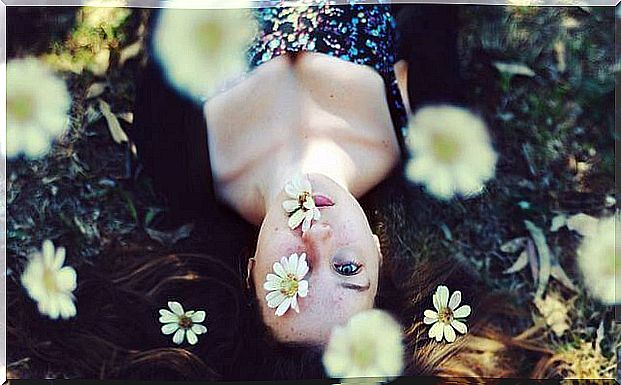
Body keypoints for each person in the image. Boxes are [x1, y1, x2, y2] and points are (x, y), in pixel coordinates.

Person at [8, 3, 523, 381]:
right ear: (378, 255)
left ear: (252, 272)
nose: (316, 234)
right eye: (346, 269)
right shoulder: (429, 132)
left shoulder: (178, 157)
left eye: (288, 278)